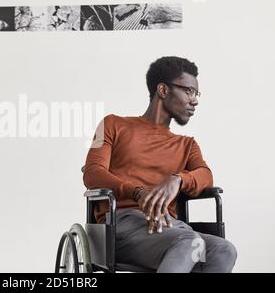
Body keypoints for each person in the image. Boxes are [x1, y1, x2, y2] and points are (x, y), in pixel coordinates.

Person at [83, 56, 237, 273]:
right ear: (163, 90)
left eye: (196, 93)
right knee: (189, 241)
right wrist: (137, 192)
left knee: (224, 250)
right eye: (188, 91)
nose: (195, 100)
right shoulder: (111, 124)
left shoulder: (187, 145)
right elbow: (92, 173)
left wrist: (178, 180)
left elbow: (205, 175)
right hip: (119, 225)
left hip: (170, 227)